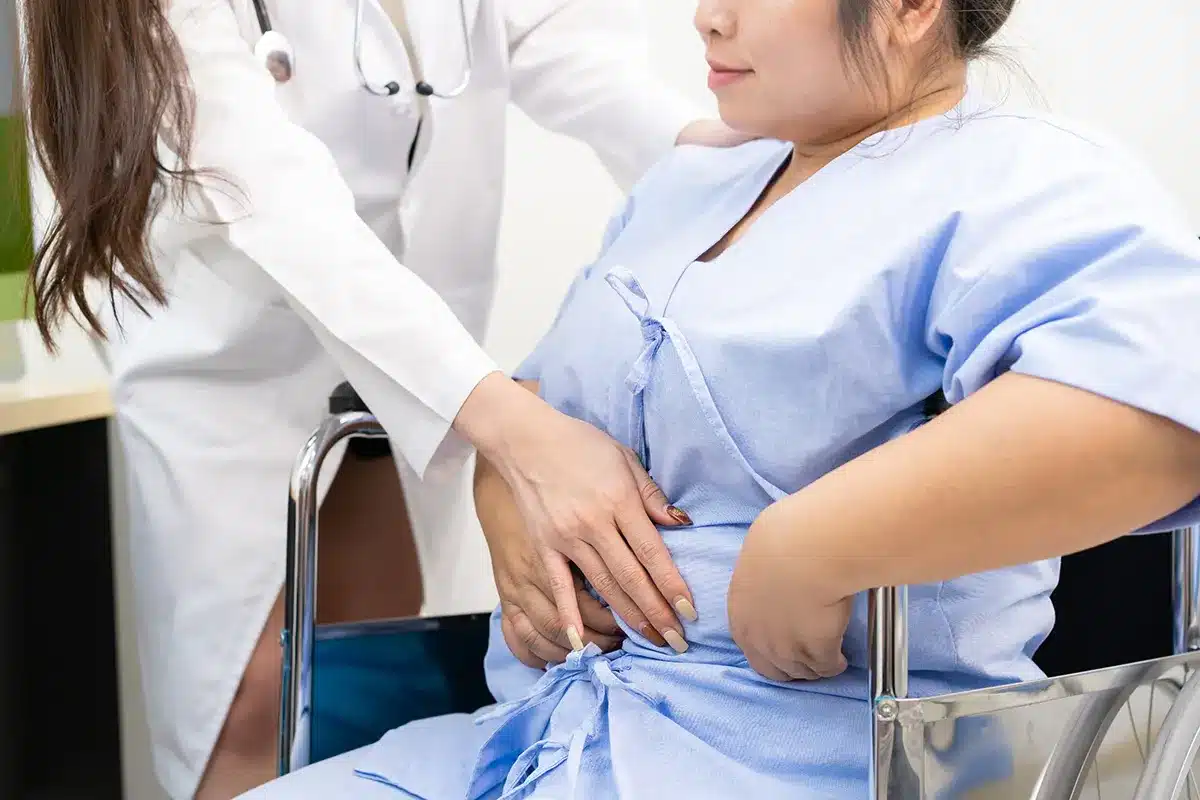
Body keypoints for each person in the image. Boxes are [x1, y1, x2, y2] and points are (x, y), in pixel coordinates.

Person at [240, 0, 1200, 797]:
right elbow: (549, 398)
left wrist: (810, 546)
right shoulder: (696, 179)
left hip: (797, 755)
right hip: (542, 734)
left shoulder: (1020, 177)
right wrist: (508, 498)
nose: (707, 18)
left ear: (910, 7)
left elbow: (1157, 418)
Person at [17, 0, 757, 797]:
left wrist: (725, 156)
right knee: (248, 710)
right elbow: (268, 196)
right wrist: (518, 434)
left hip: (417, 336)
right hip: (231, 359)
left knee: (370, 679)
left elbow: (560, 44)